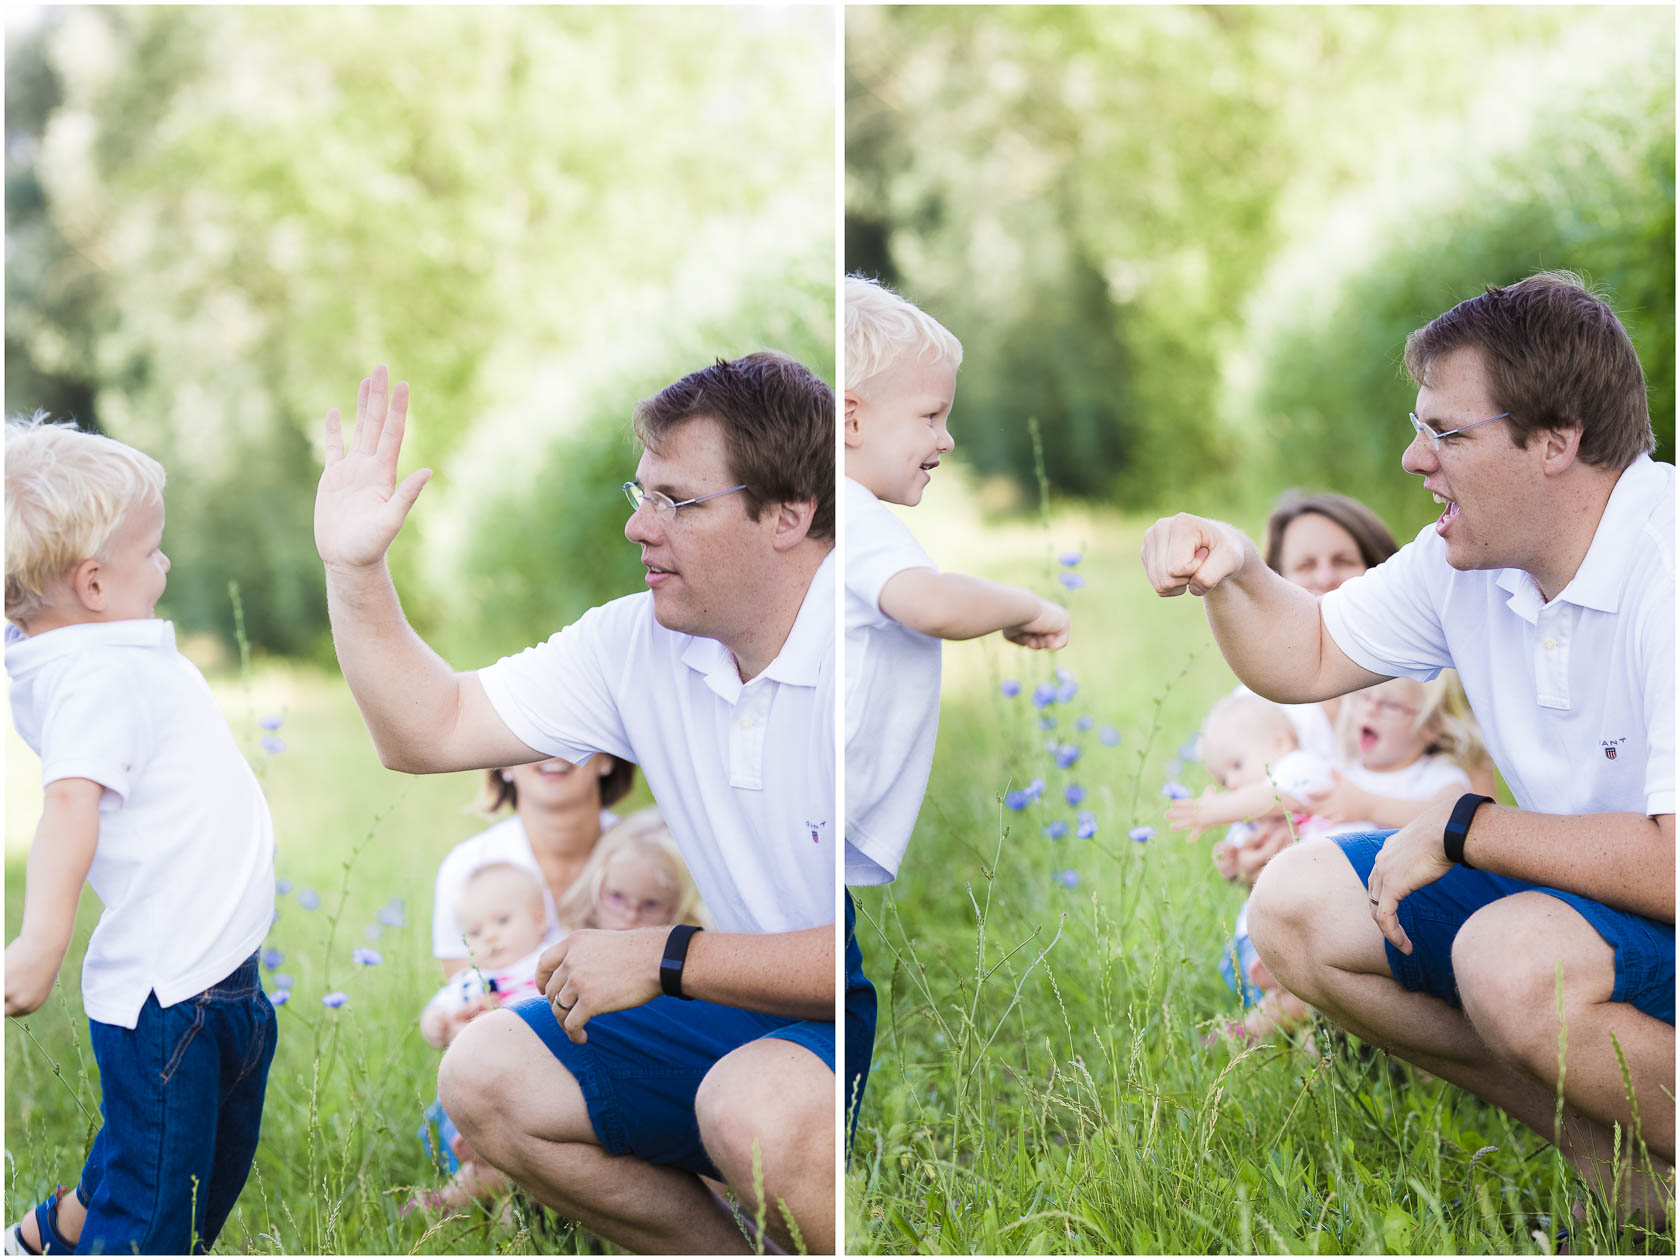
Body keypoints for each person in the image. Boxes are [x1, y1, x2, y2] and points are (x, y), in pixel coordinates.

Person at [1141, 270, 1674, 1213]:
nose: (1412, 459)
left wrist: (1466, 827)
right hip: (1596, 906)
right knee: (1300, 900)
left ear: (1556, 441)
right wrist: (1232, 568)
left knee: (1511, 958)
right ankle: (1619, 1172)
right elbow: (1303, 653)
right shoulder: (1464, 559)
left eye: (1448, 434)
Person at [314, 354, 848, 1253]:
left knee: (749, 1102)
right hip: (760, 1013)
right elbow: (427, 730)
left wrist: (666, 957)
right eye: (638, 495)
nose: (640, 528)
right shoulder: (635, 643)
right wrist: (354, 566)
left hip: (857, 1024)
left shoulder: (860, 654)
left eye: (676, 502)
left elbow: (867, 970)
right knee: (484, 1070)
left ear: (788, 514)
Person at [3, 418, 277, 1255]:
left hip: (218, 976)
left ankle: (48, 1235)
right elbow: (69, 806)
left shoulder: (94, 655)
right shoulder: (91, 674)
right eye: (151, 551)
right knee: (161, 1210)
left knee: (178, 1162)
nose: (165, 563)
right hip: (172, 996)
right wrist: (41, 939)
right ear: (91, 583)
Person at [842, 274, 1069, 895]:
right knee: (837, 987)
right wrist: (1026, 606)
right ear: (851, 418)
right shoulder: (852, 514)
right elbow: (931, 603)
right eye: (931, 416)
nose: (946, 438)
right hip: (816, 814)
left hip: (810, 816)